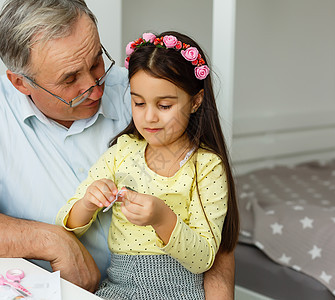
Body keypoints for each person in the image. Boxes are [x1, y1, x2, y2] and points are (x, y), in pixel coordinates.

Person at [0, 0, 236, 298]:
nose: (95, 87)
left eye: (95, 62)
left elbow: (215, 228)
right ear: (20, 82)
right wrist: (51, 239)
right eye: (69, 79)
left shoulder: (144, 91)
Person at [56, 31, 239, 299]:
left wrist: (162, 219)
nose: (149, 117)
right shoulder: (122, 151)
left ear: (196, 102)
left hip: (180, 292)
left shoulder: (207, 167)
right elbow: (66, 222)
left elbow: (204, 258)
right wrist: (87, 202)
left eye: (164, 105)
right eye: (138, 103)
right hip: (119, 289)